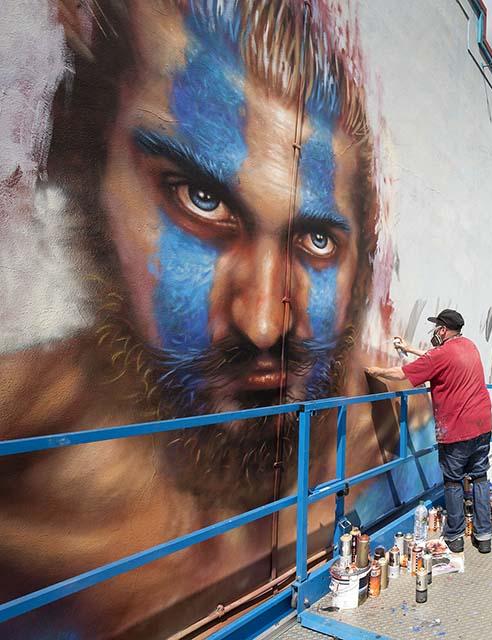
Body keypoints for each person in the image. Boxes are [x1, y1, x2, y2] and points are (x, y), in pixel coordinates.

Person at [0, 2, 393, 637]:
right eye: (200, 199)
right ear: (92, 171)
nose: (263, 323)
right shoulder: (21, 463)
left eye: (317, 240)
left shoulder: (383, 440)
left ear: (359, 267)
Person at [367, 309, 492, 553]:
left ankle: (455, 536)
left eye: (437, 327)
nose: (435, 331)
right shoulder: (469, 346)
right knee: (479, 477)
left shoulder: (440, 355)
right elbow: (437, 359)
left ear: (443, 330)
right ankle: (484, 535)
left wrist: (374, 371)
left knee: (453, 481)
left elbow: (401, 374)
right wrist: (410, 349)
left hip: (457, 430)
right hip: (482, 425)